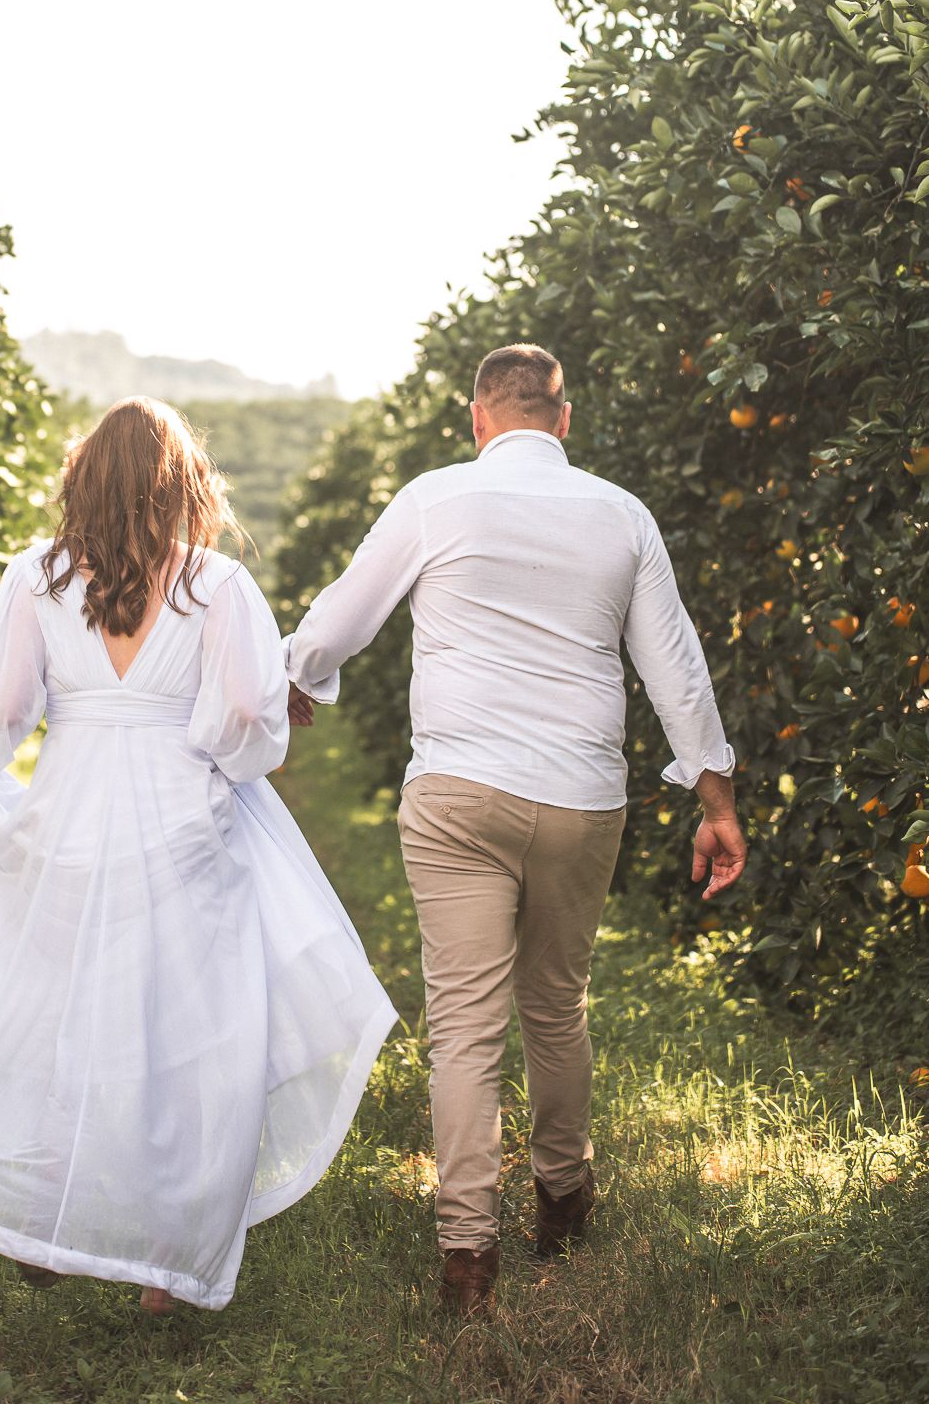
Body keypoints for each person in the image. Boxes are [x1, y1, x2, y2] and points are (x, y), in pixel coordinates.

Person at [0, 398, 396, 1313]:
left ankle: (49, 1219)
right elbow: (243, 719)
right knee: (194, 1036)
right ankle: (167, 1260)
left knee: (68, 1020)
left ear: (81, 481)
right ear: (184, 486)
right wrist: (226, 744)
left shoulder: (32, 579)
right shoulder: (218, 584)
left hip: (69, 822)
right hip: (184, 827)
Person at [283, 344, 746, 1314]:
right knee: (554, 1005)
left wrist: (287, 679)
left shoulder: (432, 498)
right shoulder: (620, 515)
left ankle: (466, 1249)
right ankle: (563, 1196)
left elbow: (339, 623)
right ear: (562, 420)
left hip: (456, 792)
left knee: (461, 1026)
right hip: (579, 797)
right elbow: (674, 666)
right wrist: (714, 801)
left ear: (476, 418)